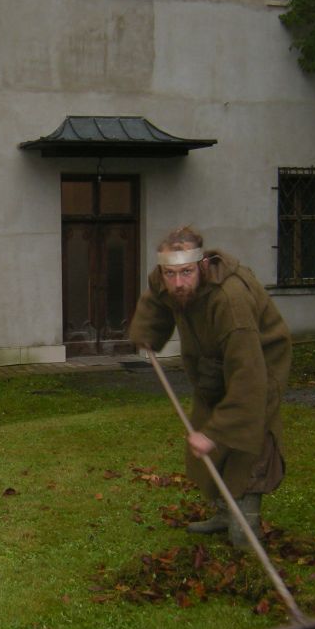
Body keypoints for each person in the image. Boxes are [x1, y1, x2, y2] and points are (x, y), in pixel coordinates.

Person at [128, 227, 292, 547]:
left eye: (186, 272)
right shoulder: (171, 282)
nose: (177, 283)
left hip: (258, 365)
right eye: (170, 273)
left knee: (247, 444)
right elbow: (156, 296)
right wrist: (146, 331)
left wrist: (214, 435)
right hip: (213, 366)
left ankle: (246, 528)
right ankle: (223, 513)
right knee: (208, 436)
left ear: (201, 266)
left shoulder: (231, 302)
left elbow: (249, 380)